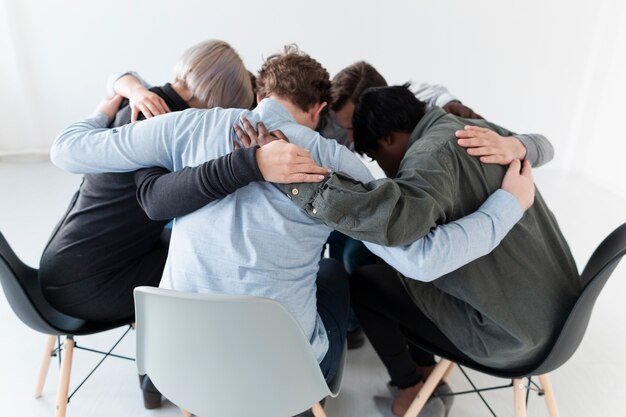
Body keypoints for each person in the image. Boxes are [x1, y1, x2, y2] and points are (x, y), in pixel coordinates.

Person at [50, 45, 534, 415]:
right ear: (320, 110)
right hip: (284, 374)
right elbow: (424, 259)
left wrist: (125, 90)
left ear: (260, 93)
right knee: (335, 277)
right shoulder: (335, 160)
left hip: (176, 361)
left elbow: (68, 150)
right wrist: (506, 207)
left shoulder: (186, 127)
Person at [39, 39, 327, 409]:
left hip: (60, 264)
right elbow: (156, 199)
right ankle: (166, 376)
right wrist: (250, 165)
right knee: (201, 274)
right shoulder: (157, 123)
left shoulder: (143, 101)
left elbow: (120, 79)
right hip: (87, 286)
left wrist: (120, 90)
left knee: (183, 245)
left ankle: (157, 380)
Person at [280, 84, 580, 416]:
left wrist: (301, 184)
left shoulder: (426, 159)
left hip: (513, 339)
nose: (386, 169)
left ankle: (411, 387)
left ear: (387, 139)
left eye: (379, 158)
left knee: (365, 285)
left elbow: (400, 233)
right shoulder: (476, 129)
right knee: (384, 266)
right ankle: (423, 372)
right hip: (564, 314)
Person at [319, 61, 555, 349]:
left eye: (355, 125)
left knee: (366, 268)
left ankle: (412, 375)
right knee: (347, 245)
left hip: (514, 335)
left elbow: (421, 257)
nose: (351, 136)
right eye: (345, 127)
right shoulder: (450, 131)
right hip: (552, 305)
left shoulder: (431, 151)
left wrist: (516, 147)